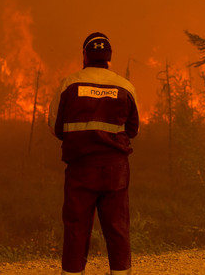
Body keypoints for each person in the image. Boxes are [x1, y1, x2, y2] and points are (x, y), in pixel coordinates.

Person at [49, 32, 139, 275]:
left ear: (85, 55)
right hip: (116, 170)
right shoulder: (125, 87)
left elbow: (56, 127)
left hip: (80, 169)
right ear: (108, 57)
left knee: (76, 228)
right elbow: (132, 129)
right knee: (117, 227)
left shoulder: (69, 85)